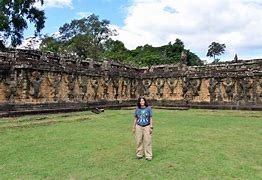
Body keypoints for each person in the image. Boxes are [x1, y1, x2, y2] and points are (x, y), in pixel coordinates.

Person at [132, 96, 153, 161]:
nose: (142, 102)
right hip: (138, 126)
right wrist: (133, 127)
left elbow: (151, 118)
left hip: (147, 126)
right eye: (140, 101)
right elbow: (135, 118)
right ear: (139, 102)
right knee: (139, 140)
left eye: (143, 101)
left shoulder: (148, 108)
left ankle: (148, 155)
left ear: (145, 101)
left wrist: (151, 127)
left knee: (147, 141)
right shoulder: (137, 109)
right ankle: (139, 154)